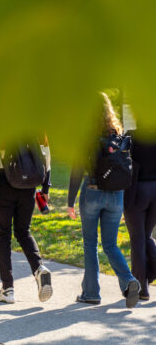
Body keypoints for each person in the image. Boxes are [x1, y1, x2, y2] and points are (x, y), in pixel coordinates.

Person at [68, 92, 140, 307]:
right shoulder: (117, 135)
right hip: (116, 195)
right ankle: (129, 280)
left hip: (92, 192)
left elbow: (77, 169)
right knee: (110, 244)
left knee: (90, 244)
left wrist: (70, 201)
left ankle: (91, 293)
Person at [0, 137, 53, 304]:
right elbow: (46, 156)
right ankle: (39, 268)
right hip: (29, 183)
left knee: (3, 235)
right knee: (23, 231)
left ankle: (7, 289)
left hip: (4, 180)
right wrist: (45, 188)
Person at [123, 128, 156, 301]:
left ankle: (141, 288)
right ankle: (147, 278)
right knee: (146, 236)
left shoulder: (132, 135)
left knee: (137, 239)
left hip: (137, 190)